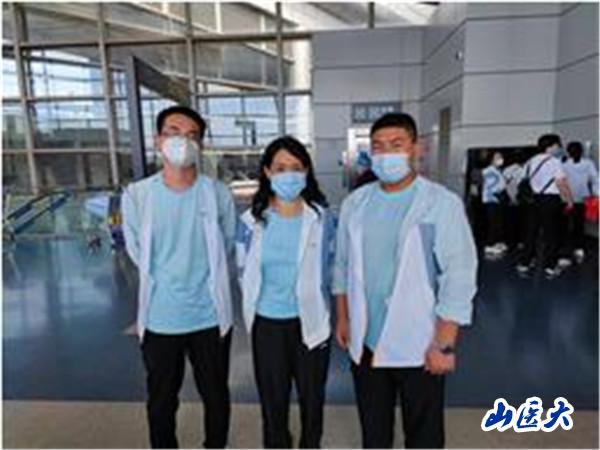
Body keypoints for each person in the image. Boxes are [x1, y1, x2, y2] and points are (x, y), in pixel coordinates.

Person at [333, 112, 478, 448]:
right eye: (378, 147)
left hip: (419, 341)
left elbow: (459, 276)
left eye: (396, 145)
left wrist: (444, 344)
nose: (386, 154)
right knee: (374, 432)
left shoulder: (441, 204)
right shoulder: (356, 203)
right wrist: (343, 317)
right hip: (367, 340)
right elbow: (341, 265)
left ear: (416, 148)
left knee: (424, 434)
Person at [121, 106, 237, 448]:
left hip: (209, 315)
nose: (182, 141)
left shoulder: (217, 193)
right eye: (173, 132)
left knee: (216, 394)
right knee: (161, 398)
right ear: (158, 140)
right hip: (161, 316)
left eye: (191, 135)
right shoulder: (138, 195)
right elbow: (137, 250)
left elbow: (227, 243)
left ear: (200, 145)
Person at [236, 136, 334, 448]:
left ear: (306, 171)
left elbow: (334, 269)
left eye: (296, 167)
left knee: (312, 400)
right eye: (280, 168)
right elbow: (243, 272)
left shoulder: (322, 219)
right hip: (267, 325)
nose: (289, 174)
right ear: (267, 172)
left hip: (311, 322)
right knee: (273, 401)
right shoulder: (250, 221)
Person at [516, 134, 574, 279]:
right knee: (551, 234)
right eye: (557, 145)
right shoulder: (554, 162)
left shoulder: (531, 161)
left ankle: (524, 263)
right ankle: (550, 266)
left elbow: (522, 179)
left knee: (531, 232)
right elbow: (561, 183)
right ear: (551, 147)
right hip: (550, 200)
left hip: (532, 200)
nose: (559, 148)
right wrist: (569, 200)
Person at [562, 141, 599, 263]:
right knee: (570, 224)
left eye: (576, 150)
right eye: (572, 150)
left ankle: (577, 248)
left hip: (580, 199)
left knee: (577, 224)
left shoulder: (587, 164)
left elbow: (595, 178)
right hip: (569, 199)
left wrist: (596, 193)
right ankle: (571, 248)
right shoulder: (565, 165)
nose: (574, 152)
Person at [481, 152, 508, 259]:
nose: (500, 159)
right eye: (497, 157)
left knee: (498, 222)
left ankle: (496, 243)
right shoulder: (489, 171)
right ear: (491, 159)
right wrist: (501, 187)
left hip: (497, 200)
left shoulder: (498, 171)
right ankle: (490, 244)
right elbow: (492, 186)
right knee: (493, 223)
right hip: (491, 199)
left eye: (501, 157)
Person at [502, 154, 527, 248]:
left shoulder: (506, 170)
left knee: (509, 222)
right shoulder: (522, 170)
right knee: (520, 222)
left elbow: (503, 184)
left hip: (508, 198)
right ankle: (520, 241)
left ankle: (510, 241)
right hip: (519, 199)